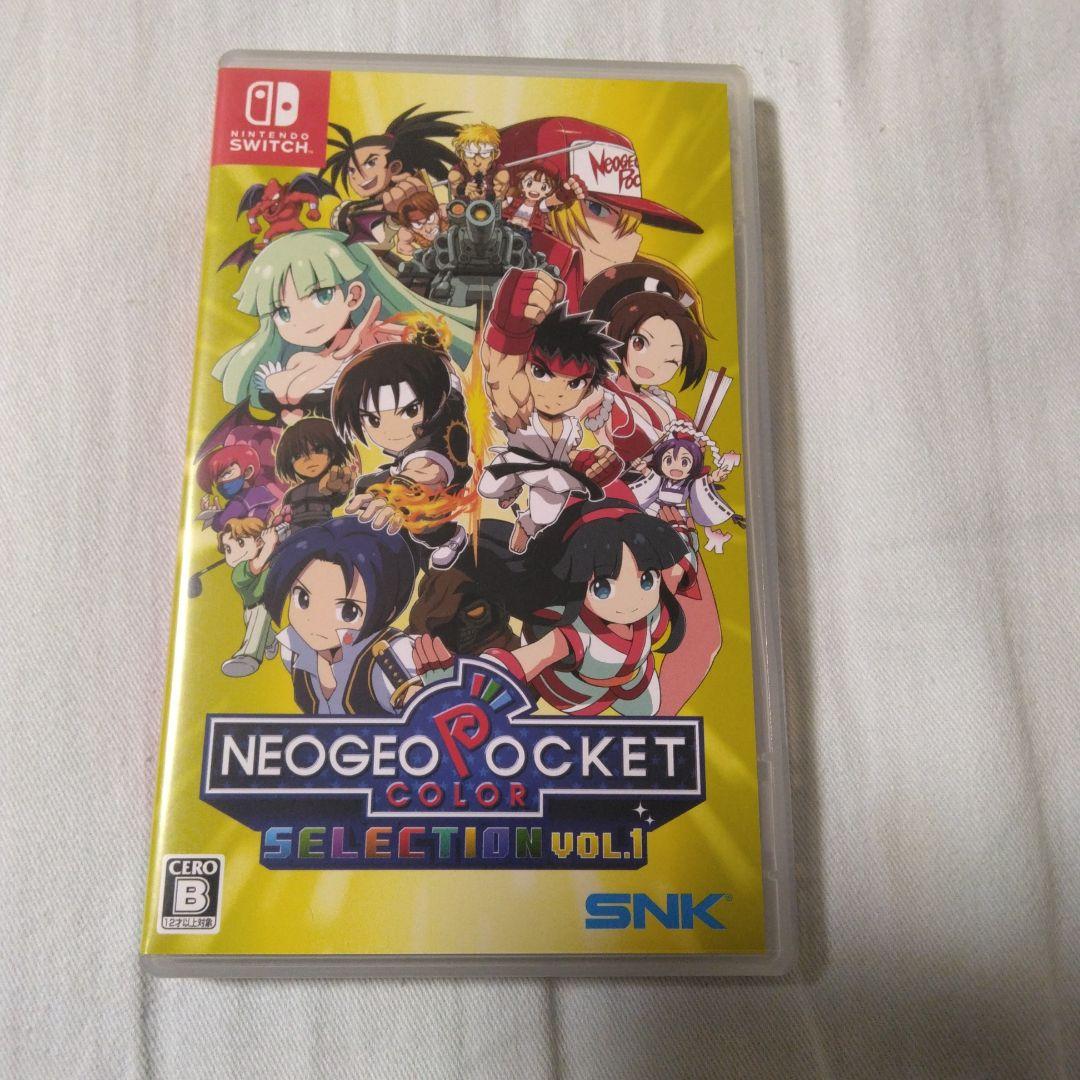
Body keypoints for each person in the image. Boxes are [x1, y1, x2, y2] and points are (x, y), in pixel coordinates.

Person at [413, 500, 697, 717]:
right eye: (603, 587)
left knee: (648, 712)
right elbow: (519, 664)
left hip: (636, 684)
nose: (630, 600)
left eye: (647, 579)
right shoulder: (573, 635)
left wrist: (681, 535)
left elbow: (678, 567)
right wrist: (457, 685)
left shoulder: (653, 611)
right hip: (578, 695)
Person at [211, 230, 475, 420]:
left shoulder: (386, 336)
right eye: (283, 312)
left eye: (321, 296)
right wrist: (338, 356)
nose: (303, 319)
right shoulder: (301, 360)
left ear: (354, 295)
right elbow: (281, 389)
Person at [477, 269, 622, 554]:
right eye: (542, 373)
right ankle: (512, 489)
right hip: (517, 462)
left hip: (552, 474)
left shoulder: (571, 427)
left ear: (587, 387)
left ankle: (527, 525)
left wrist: (590, 463)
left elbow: (569, 456)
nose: (557, 393)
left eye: (575, 383)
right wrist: (511, 324)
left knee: (546, 513)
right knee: (489, 487)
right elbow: (500, 373)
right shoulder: (522, 410)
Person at [332, 342, 472, 570]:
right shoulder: (450, 400)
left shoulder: (430, 449)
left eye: (409, 411)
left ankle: (451, 537)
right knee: (365, 485)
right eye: (373, 420)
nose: (391, 430)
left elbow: (425, 470)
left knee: (422, 519)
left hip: (441, 486)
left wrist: (396, 495)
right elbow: (454, 387)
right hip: (408, 464)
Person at [262, 517, 419, 716]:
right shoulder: (294, 648)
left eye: (348, 611)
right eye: (303, 598)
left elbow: (425, 713)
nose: (316, 621)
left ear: (388, 612)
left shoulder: (390, 656)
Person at [321, 105, 460, 243]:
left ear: (394, 167)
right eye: (352, 171)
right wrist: (387, 209)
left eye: (370, 163)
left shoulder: (420, 190)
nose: (358, 176)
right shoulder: (353, 210)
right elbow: (344, 219)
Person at [217, 517, 280, 678]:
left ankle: (248, 657)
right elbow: (257, 566)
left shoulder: (269, 559)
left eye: (240, 543)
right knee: (259, 628)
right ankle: (271, 641)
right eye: (228, 549)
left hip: (264, 605)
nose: (233, 553)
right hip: (251, 608)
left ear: (258, 543)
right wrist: (269, 544)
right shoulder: (239, 571)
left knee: (259, 621)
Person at [274, 416, 357, 530]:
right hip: (296, 534)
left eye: (318, 450)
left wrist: (336, 488)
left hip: (323, 530)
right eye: (297, 456)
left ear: (332, 453)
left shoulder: (328, 482)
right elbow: (285, 518)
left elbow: (337, 498)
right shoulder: (291, 495)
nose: (308, 459)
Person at [447, 122, 509, 202]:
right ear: (460, 154)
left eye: (484, 153)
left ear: (495, 154)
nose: (477, 162)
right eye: (470, 153)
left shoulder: (500, 173)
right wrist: (464, 189)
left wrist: (485, 197)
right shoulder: (456, 173)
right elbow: (455, 188)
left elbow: (499, 196)